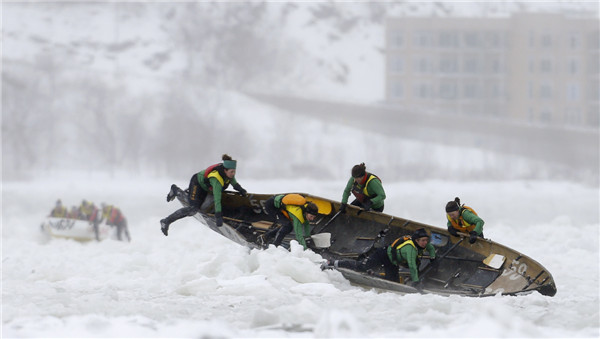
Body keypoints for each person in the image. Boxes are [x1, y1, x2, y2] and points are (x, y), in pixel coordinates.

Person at [160, 154, 247, 236]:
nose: (233, 174)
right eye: (231, 172)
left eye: (234, 172)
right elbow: (217, 198)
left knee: (202, 205)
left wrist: (241, 190)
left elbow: (234, 183)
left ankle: (179, 192)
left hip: (207, 187)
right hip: (197, 184)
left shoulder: (229, 174)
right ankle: (166, 220)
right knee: (193, 208)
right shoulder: (216, 179)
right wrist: (218, 215)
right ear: (225, 170)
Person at [322, 228, 436, 285]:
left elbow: (431, 248)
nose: (425, 243)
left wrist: (432, 258)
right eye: (422, 241)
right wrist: (416, 281)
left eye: (426, 240)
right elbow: (412, 266)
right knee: (362, 267)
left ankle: (374, 275)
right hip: (384, 254)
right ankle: (333, 262)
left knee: (393, 282)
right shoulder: (410, 249)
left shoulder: (424, 245)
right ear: (416, 240)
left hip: (392, 261)